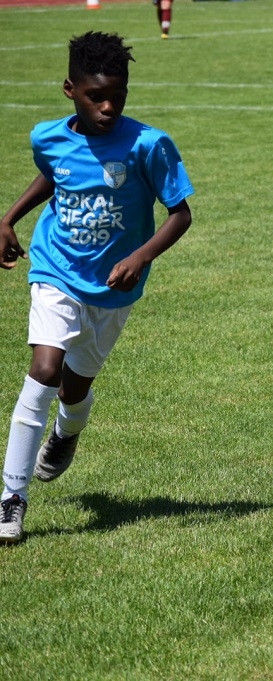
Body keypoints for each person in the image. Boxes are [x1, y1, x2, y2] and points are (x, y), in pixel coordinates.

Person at [0, 32, 194, 545]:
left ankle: (67, 433)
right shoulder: (48, 136)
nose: (108, 106)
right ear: (70, 90)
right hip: (56, 269)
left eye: (117, 96)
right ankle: (11, 498)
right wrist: (10, 218)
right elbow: (55, 176)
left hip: (111, 288)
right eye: (95, 96)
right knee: (45, 368)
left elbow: (180, 214)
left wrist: (140, 255)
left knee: (75, 386)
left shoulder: (148, 145)